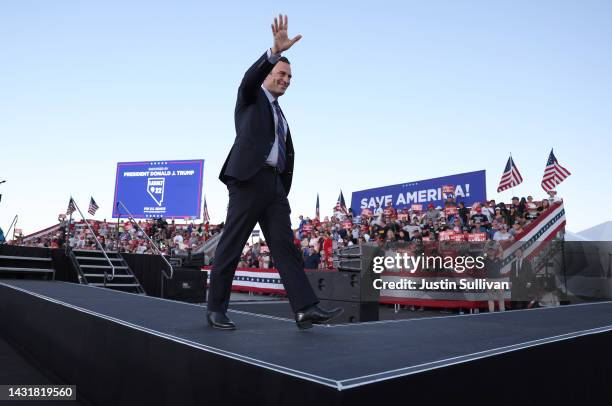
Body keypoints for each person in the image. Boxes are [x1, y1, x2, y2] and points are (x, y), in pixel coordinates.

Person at [206, 15, 342, 330]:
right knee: (232, 244)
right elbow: (247, 80)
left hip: (275, 186)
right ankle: (215, 309)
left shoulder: (280, 113)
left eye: (290, 77)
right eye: (281, 73)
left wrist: (280, 184)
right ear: (269, 73)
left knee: (285, 247)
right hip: (248, 180)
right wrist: (273, 51)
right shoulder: (251, 98)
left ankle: (305, 308)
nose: (285, 80)